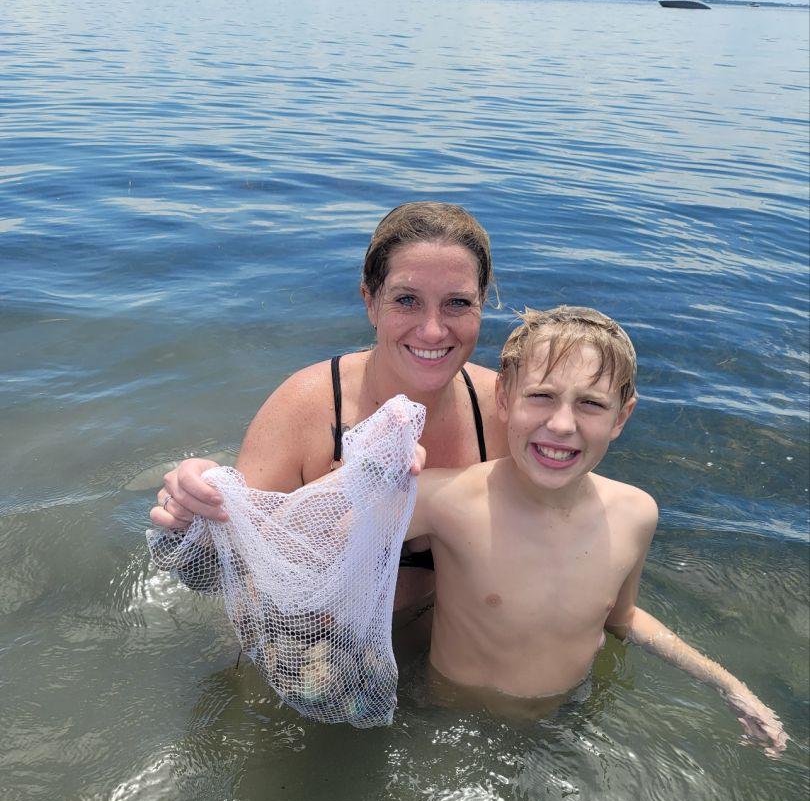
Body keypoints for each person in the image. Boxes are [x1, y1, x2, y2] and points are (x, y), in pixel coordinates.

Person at [403, 305, 787, 754]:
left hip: (565, 722)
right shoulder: (444, 500)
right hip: (451, 725)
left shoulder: (635, 514)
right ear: (504, 397)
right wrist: (369, 473)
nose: (562, 424)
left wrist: (726, 683)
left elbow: (620, 619)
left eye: (590, 404)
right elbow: (314, 544)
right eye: (541, 396)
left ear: (621, 417)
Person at [150, 202, 509, 642]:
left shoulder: (501, 409)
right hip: (305, 654)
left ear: (482, 305)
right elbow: (211, 576)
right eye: (406, 300)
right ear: (371, 302)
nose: (433, 331)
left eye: (457, 303)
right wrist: (193, 515)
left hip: (441, 658)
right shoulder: (306, 407)